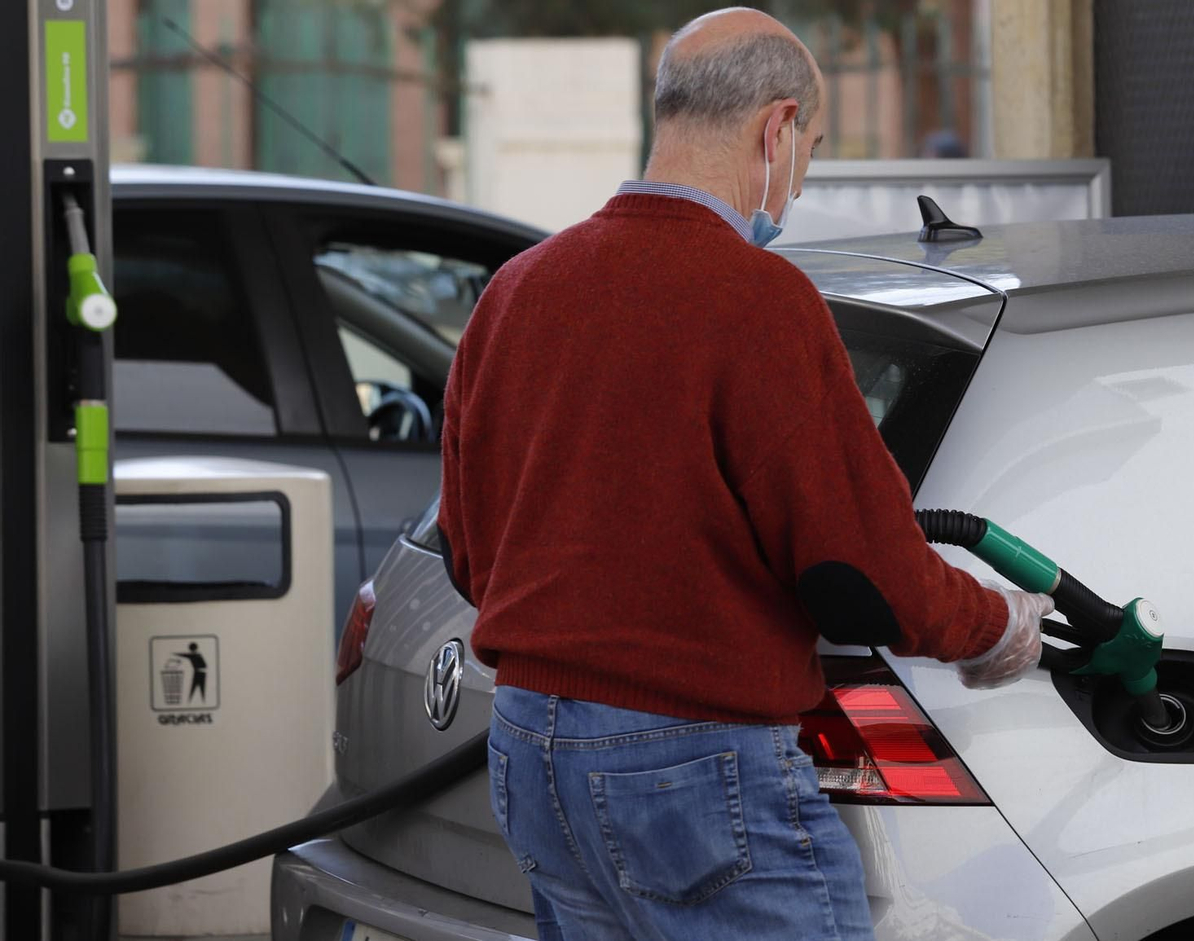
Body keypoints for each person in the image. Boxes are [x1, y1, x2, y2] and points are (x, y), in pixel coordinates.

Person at [437, 8, 1053, 939]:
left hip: (528, 751)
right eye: (808, 149)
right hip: (691, 766)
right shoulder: (761, 302)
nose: (797, 183)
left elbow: (468, 553)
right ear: (776, 128)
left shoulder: (518, 290)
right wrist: (993, 625)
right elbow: (865, 568)